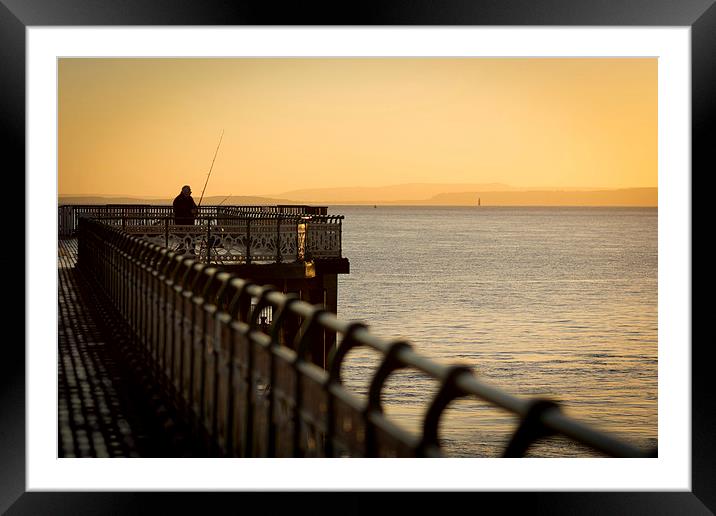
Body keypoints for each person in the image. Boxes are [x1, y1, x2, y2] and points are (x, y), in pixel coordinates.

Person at [172, 185, 198, 255]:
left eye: (190, 191)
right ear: (184, 191)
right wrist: (191, 211)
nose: (190, 192)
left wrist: (195, 210)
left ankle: (191, 253)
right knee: (184, 240)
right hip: (181, 223)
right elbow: (180, 211)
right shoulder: (178, 199)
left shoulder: (190, 198)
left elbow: (194, 207)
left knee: (191, 240)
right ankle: (183, 253)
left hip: (189, 223)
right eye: (189, 191)